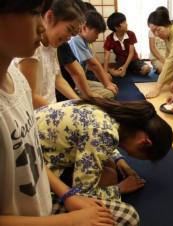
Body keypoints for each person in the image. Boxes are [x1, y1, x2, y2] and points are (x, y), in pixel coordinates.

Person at [0, 0, 117, 225]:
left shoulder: (18, 80)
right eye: (35, 13)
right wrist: (71, 219)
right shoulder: (29, 56)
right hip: (47, 117)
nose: (42, 26)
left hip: (42, 195)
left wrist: (80, 104)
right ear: (50, 16)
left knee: (109, 167)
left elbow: (58, 78)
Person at [36, 98, 173, 205]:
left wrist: (120, 161)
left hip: (37, 142)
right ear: (145, 142)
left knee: (110, 164)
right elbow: (82, 194)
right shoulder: (105, 134)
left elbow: (93, 141)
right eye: (144, 157)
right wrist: (120, 189)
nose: (134, 157)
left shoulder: (112, 112)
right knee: (109, 176)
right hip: (36, 163)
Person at [15, 0, 85, 109]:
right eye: (69, 30)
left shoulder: (52, 44)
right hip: (37, 113)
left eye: (72, 34)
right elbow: (30, 96)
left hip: (51, 107)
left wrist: (78, 102)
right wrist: (60, 112)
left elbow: (57, 77)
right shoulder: (31, 47)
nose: (69, 38)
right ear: (49, 17)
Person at [68, 10, 119, 99]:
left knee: (110, 86)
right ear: (84, 28)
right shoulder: (76, 39)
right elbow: (93, 65)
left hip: (80, 79)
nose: (97, 36)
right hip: (73, 84)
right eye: (96, 33)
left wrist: (107, 83)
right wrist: (107, 83)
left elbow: (94, 63)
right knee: (109, 93)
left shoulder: (85, 41)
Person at [146, 9, 173, 98]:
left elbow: (170, 63)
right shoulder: (169, 32)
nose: (156, 34)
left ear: (167, 24)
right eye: (153, 31)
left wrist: (157, 88)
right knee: (172, 85)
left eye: (158, 30)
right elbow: (168, 56)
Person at [104, 12, 151, 77]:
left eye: (125, 21)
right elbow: (106, 56)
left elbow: (131, 53)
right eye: (124, 23)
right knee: (120, 74)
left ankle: (129, 69)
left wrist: (125, 67)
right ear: (116, 27)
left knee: (147, 69)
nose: (127, 24)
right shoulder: (110, 38)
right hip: (121, 61)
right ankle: (111, 70)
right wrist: (105, 71)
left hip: (134, 60)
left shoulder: (131, 34)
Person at [148, 6, 168, 74]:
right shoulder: (152, 30)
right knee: (165, 71)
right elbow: (152, 48)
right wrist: (162, 59)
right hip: (157, 57)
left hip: (168, 56)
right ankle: (158, 69)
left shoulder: (168, 29)